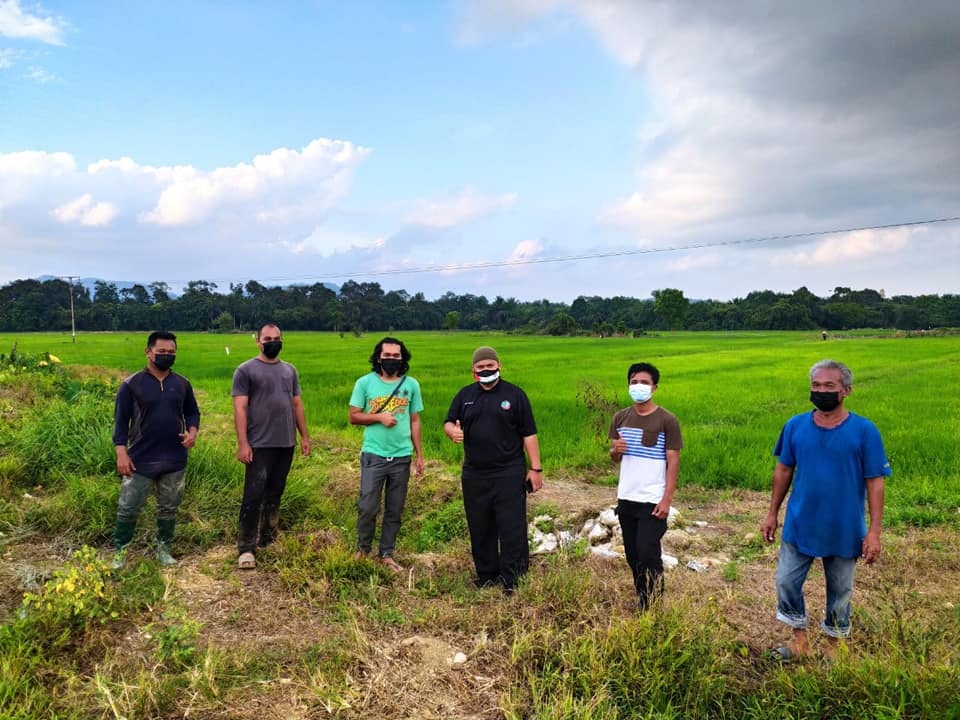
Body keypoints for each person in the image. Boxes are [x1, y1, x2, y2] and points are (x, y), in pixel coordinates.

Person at [761, 359, 890, 661]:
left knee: (840, 590)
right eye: (816, 385)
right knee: (786, 581)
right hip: (800, 521)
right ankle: (799, 640)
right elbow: (783, 470)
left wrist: (874, 532)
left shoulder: (864, 430)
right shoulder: (795, 426)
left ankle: (834, 645)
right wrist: (772, 513)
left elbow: (875, 482)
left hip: (844, 526)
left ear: (846, 391)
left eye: (829, 386)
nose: (821, 391)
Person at [443, 346, 542, 593]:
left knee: (512, 526)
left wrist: (535, 469)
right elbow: (448, 422)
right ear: (473, 370)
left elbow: (529, 433)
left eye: (490, 365)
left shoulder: (515, 395)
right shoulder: (465, 395)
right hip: (474, 473)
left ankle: (513, 578)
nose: (486, 370)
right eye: (481, 367)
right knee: (480, 525)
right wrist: (452, 431)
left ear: (499, 366)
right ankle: (487, 575)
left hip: (509, 471)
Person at [112, 331, 200, 568]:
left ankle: (163, 551)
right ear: (148, 352)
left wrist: (192, 433)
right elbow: (120, 423)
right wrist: (121, 453)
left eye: (171, 352)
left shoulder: (182, 384)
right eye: (161, 352)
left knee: (169, 507)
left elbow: (192, 413)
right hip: (140, 459)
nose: (167, 355)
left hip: (174, 458)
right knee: (128, 507)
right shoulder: (131, 385)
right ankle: (120, 553)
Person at [232, 323, 311, 569]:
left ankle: (268, 537)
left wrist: (304, 436)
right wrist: (243, 443)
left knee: (276, 491)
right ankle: (246, 547)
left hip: (285, 442)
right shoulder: (245, 370)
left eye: (277, 338)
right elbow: (240, 408)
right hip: (259, 443)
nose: (273, 342)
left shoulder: (290, 370)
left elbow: (297, 404)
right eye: (267, 339)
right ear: (258, 341)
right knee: (253, 494)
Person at [608, 362, 682, 611]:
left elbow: (673, 461)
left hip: (652, 499)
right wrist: (614, 451)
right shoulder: (620, 417)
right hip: (627, 496)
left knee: (648, 552)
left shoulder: (667, 420)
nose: (638, 386)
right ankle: (643, 599)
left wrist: (666, 500)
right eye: (634, 382)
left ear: (654, 388)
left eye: (644, 383)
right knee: (632, 554)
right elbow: (615, 456)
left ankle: (655, 603)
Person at [348, 337, 424, 572]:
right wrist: (379, 417)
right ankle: (363, 549)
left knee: (395, 508)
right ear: (378, 358)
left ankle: (386, 553)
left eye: (396, 356)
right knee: (367, 506)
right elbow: (354, 416)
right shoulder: (364, 383)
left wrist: (419, 455)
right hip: (374, 455)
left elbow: (415, 420)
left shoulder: (411, 385)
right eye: (387, 355)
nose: (392, 359)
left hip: (402, 456)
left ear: (403, 358)